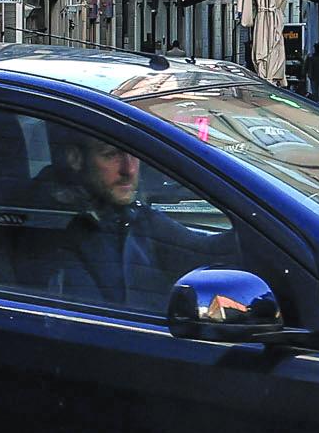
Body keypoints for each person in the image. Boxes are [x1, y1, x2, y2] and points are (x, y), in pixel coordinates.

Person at [38, 128, 240, 313]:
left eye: (133, 153)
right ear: (75, 158)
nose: (129, 170)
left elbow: (203, 252)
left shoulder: (128, 215)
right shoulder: (48, 226)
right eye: (111, 154)